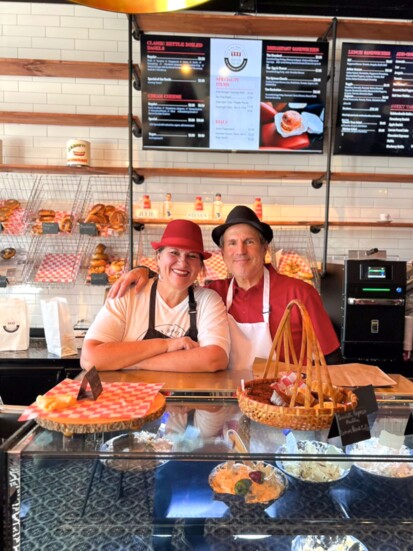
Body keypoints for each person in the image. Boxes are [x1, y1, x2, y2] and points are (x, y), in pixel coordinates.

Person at [108, 206, 340, 370]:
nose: (240, 250)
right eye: (232, 243)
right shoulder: (213, 293)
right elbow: (176, 279)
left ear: (264, 249)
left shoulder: (300, 294)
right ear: (223, 253)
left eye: (249, 241)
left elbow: (333, 360)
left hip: (284, 408)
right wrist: (143, 271)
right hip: (226, 403)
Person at [81, 219, 230, 372]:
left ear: (200, 266)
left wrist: (129, 362)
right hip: (129, 395)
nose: (183, 263)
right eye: (174, 253)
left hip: (182, 395)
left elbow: (215, 359)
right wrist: (166, 345)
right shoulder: (127, 294)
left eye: (192, 256)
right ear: (158, 257)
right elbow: (90, 358)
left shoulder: (208, 300)